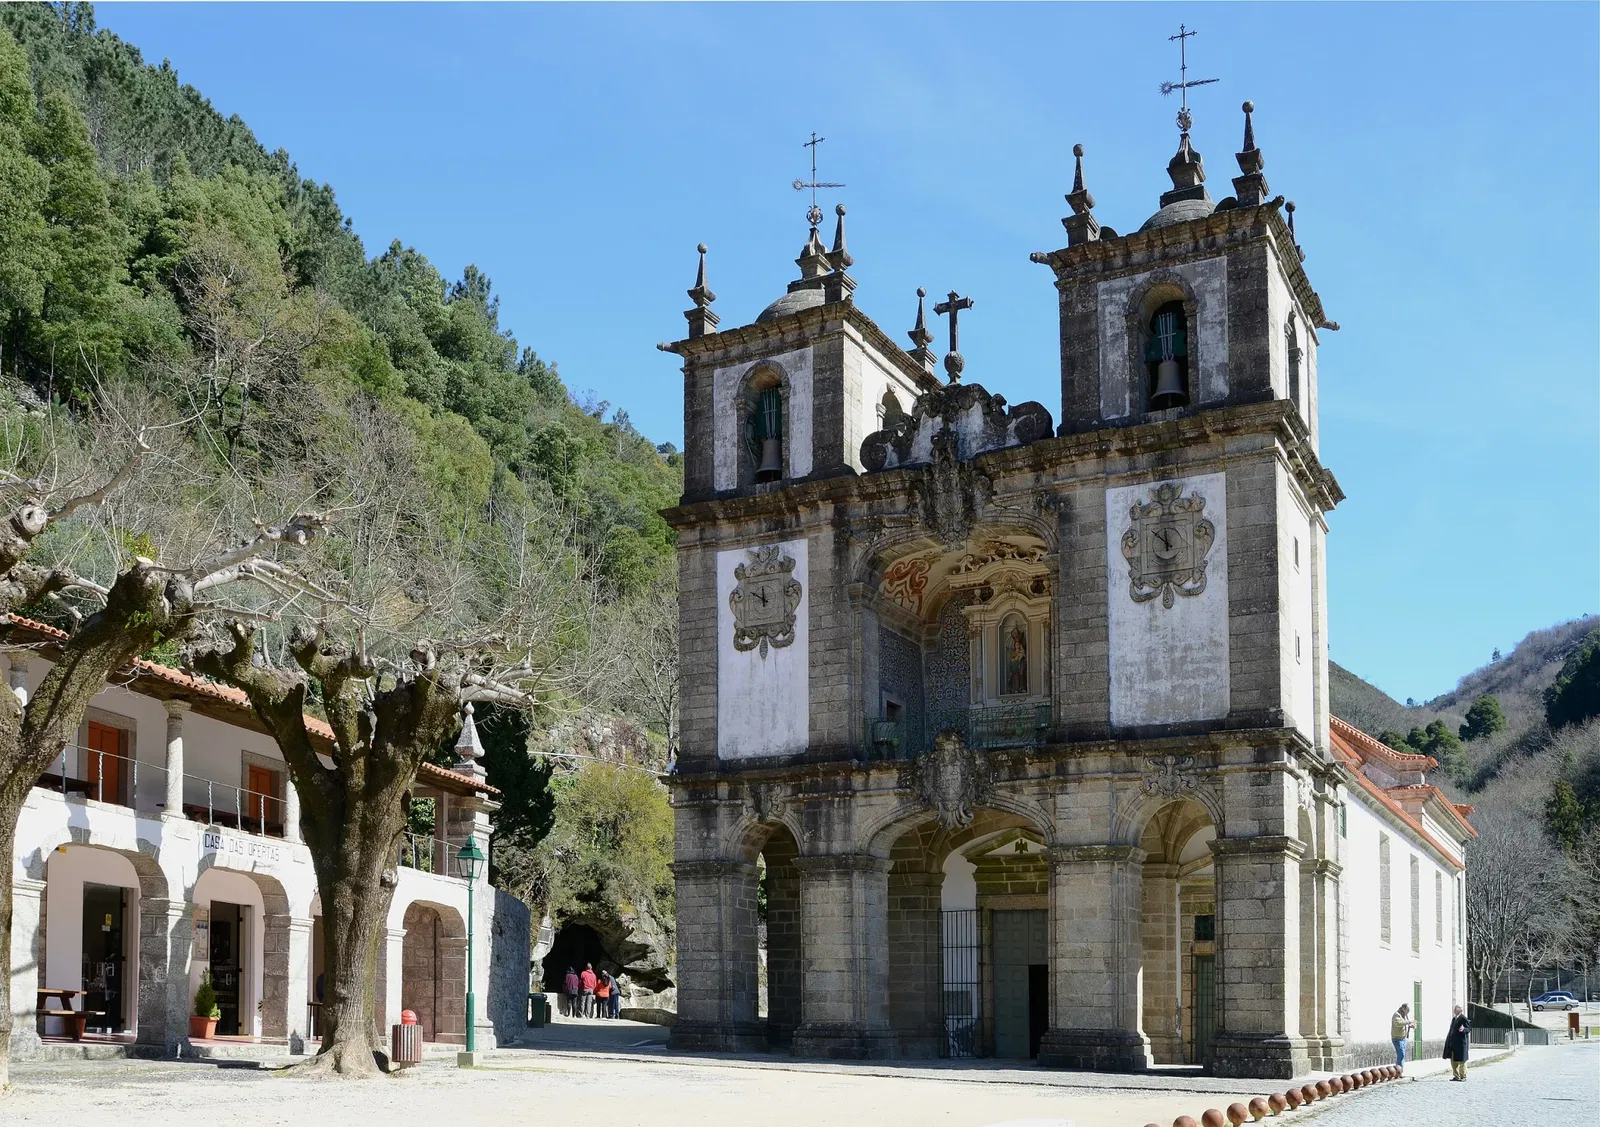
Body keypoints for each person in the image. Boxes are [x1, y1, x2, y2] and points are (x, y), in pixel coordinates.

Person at [1443, 1004, 1470, 1080]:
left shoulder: (1463, 1018)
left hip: (1461, 1044)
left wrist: (1463, 1030)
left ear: (1460, 1010)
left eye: (1456, 1009)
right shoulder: (1454, 1019)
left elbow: (1469, 1028)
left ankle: (1463, 1076)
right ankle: (1456, 1076)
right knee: (1453, 1060)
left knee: (1462, 1061)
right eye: (1454, 1009)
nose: (1454, 1010)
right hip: (1453, 1044)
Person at [1391, 1002, 1415, 1069]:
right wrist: (1409, 1022)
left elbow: (1404, 1025)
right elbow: (1398, 1023)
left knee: (1402, 1055)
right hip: (1397, 1038)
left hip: (1403, 1038)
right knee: (1401, 1054)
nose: (1408, 1012)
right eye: (1407, 1010)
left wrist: (1410, 1026)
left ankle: (1399, 1070)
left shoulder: (1404, 1015)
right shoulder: (1397, 1015)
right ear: (1403, 1008)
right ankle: (1399, 1071)